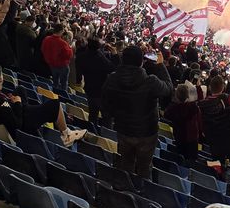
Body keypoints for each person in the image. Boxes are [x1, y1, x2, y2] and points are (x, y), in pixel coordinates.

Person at [101, 46, 172, 179]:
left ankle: (125, 191)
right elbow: (168, 88)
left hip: (123, 129)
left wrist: (115, 117)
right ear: (141, 62)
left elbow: (105, 105)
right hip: (146, 134)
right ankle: (141, 194)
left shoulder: (112, 79)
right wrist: (161, 65)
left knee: (125, 163)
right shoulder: (151, 81)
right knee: (144, 167)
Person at [0, 64, 84, 146]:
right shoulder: (2, 104)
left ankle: (33, 111)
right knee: (55, 105)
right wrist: (18, 103)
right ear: (0, 79)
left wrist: (13, 102)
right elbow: (18, 124)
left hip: (1, 119)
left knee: (20, 89)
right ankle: (67, 136)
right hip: (16, 127)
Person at [199, 74, 230, 169]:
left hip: (213, 139)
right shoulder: (228, 99)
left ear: (210, 87)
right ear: (223, 88)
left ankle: (218, 178)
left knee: (217, 164)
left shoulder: (202, 104)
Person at [76, 37, 115, 130]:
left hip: (89, 88)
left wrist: (78, 81)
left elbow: (79, 73)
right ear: (98, 47)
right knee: (106, 116)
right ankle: (105, 136)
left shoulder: (81, 56)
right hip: (102, 91)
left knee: (93, 114)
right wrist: (115, 54)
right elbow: (112, 68)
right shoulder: (100, 58)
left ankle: (92, 133)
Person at [164, 82, 203, 165]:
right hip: (191, 140)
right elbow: (200, 124)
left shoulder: (173, 109)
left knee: (180, 159)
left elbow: (166, 114)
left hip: (179, 137)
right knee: (191, 162)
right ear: (188, 96)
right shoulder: (193, 108)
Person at [40, 23, 74, 92]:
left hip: (51, 65)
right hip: (62, 66)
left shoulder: (47, 39)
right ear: (61, 31)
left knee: (55, 81)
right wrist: (69, 46)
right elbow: (69, 55)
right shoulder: (63, 43)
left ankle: (54, 93)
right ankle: (62, 97)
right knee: (63, 83)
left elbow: (42, 49)